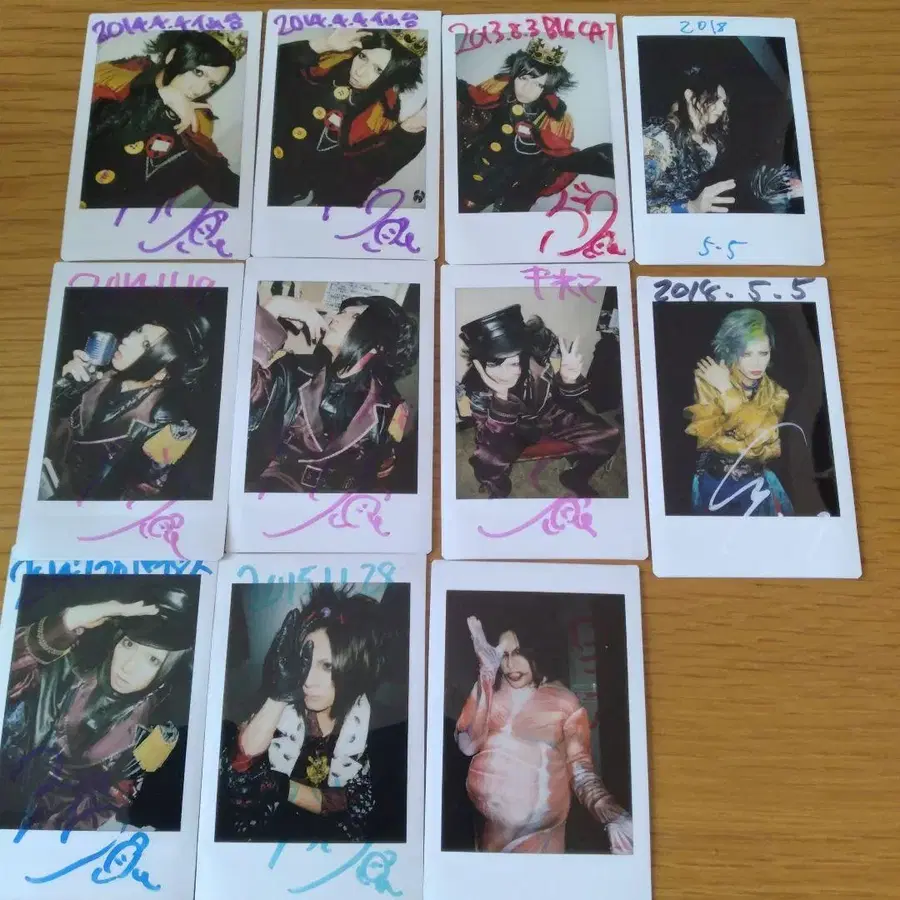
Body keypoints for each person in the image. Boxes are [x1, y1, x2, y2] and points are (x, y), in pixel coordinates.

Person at [0, 585, 195, 833]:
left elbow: (93, 810)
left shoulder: (150, 740)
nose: (128, 666)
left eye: (152, 659)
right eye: (129, 644)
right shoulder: (61, 669)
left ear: (167, 672)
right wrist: (68, 621)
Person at [455, 616, 634, 853]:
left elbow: (581, 772)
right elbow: (467, 744)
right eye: (503, 655)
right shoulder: (490, 693)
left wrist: (611, 814)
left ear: (536, 651)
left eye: (518, 653)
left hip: (540, 841)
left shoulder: (564, 702)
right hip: (490, 839)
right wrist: (486, 674)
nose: (510, 665)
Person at [219, 586, 383, 841]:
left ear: (353, 669)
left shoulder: (371, 725)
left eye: (327, 666)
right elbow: (238, 785)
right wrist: (278, 697)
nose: (308, 681)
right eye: (305, 662)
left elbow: (357, 804)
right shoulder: (277, 711)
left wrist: (282, 787)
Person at [245, 281, 417, 494]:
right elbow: (243, 394)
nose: (335, 317)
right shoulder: (294, 370)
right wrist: (274, 308)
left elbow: (377, 477)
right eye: (341, 312)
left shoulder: (389, 410)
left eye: (354, 316)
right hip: (268, 493)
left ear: (378, 344)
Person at [42, 312, 211, 501]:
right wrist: (62, 385)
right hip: (46, 477)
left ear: (162, 374)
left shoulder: (170, 426)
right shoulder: (96, 373)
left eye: (145, 345)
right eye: (138, 331)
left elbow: (142, 494)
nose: (128, 339)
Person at [458, 304, 619, 499]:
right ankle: (500, 491)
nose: (507, 372)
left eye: (514, 361)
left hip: (550, 413)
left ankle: (576, 477)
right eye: (496, 364)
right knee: (487, 462)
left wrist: (568, 381)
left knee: (609, 435)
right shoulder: (474, 388)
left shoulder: (541, 355)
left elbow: (566, 403)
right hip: (512, 430)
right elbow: (488, 438)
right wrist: (501, 399)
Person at [81, 29, 246, 209]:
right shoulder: (116, 81)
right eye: (198, 73)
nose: (200, 90)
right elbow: (91, 135)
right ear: (172, 56)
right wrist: (160, 97)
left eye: (212, 84)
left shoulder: (196, 123)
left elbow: (217, 177)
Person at [268, 28, 428, 207]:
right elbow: (269, 70)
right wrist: (322, 45)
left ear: (393, 80)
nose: (360, 71)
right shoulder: (326, 64)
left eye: (377, 70)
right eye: (363, 57)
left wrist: (409, 133)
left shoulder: (381, 117)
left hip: (280, 192)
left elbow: (359, 178)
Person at [456, 37, 615, 213]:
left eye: (538, 84)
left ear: (546, 88)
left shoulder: (551, 121)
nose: (527, 89)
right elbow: (468, 103)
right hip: (463, 173)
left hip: (501, 188)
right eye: (524, 78)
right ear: (514, 76)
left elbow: (557, 156)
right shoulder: (492, 93)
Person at [643, 66, 802, 214]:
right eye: (716, 99)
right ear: (690, 96)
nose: (723, 107)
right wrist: (690, 208)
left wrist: (781, 185)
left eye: (723, 102)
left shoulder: (710, 141)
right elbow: (636, 205)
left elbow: (738, 176)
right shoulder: (658, 140)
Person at [685, 308, 793, 515]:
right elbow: (708, 439)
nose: (757, 363)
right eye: (746, 354)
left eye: (763, 353)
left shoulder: (778, 393)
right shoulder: (707, 380)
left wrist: (727, 390)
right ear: (731, 351)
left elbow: (770, 446)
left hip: (757, 483)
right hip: (714, 483)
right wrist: (757, 437)